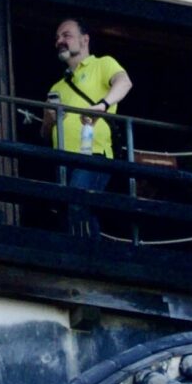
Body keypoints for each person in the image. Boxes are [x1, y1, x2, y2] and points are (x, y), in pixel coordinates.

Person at [45, 17, 131, 238]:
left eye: (66, 35)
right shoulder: (57, 87)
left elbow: (124, 82)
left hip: (93, 153)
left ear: (85, 40)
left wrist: (102, 105)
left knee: (77, 200)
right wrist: (48, 119)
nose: (60, 41)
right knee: (69, 209)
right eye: (57, 38)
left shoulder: (102, 64)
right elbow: (44, 133)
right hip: (63, 160)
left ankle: (88, 257)